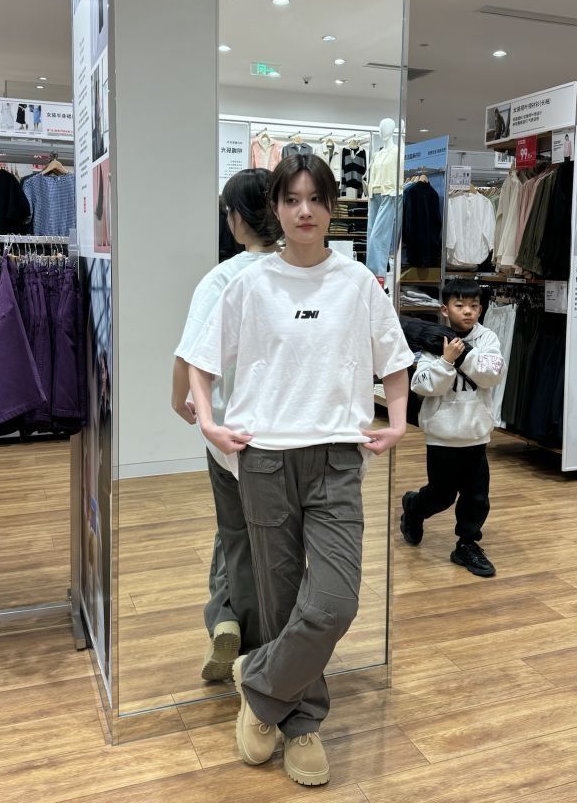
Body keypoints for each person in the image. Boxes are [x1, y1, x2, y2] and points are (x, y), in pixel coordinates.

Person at [185, 155, 412, 786]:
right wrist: (209, 422)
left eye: (315, 199)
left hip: (337, 457)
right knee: (279, 599)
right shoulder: (249, 284)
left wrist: (397, 420)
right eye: (291, 200)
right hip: (263, 458)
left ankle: (259, 685)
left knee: (334, 601)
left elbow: (394, 358)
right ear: (276, 209)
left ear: (332, 207)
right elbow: (201, 361)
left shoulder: (357, 282)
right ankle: (302, 723)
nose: (304, 211)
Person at [172, 168, 282, 682]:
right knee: (277, 542)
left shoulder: (222, 278)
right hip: (288, 431)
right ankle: (248, 633)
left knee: (235, 533)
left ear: (236, 219)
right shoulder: (302, 271)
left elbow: (189, 354)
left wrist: (180, 401)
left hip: (229, 432)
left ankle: (235, 627)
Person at [400, 278, 504, 577]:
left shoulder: (487, 338)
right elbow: (422, 386)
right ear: (445, 309)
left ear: (481, 309)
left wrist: (465, 355)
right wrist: (446, 361)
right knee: (441, 495)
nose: (467, 311)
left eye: (474, 306)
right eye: (459, 305)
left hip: (475, 434)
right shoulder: (432, 341)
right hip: (442, 436)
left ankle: (467, 544)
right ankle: (414, 507)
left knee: (476, 496)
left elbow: (491, 375)